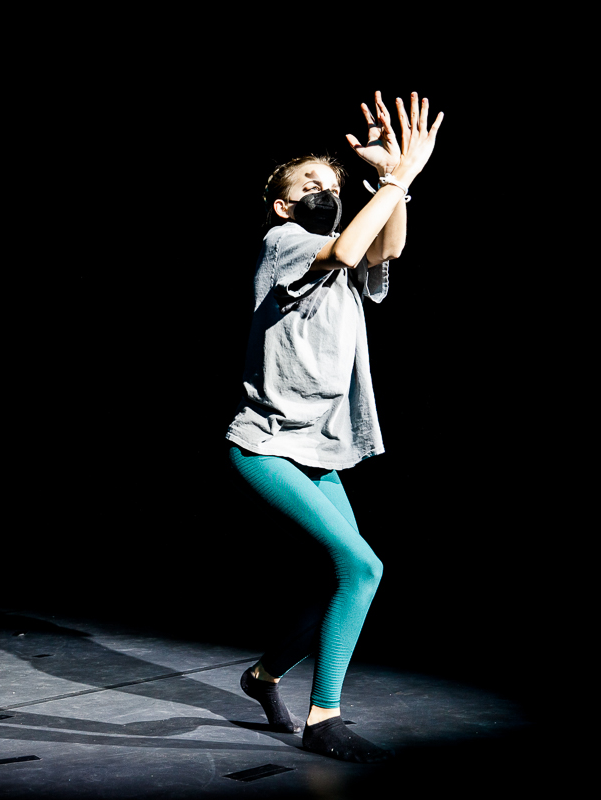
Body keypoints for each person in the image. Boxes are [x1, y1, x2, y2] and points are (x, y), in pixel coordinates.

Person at [225, 92, 443, 763]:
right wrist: (400, 178)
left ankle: (263, 677)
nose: (325, 193)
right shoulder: (285, 244)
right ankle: (325, 718)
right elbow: (349, 250)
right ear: (282, 206)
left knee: (343, 580)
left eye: (333, 186)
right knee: (363, 566)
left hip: (317, 447)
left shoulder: (335, 252)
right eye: (310, 186)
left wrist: (393, 182)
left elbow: (385, 247)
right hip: (266, 445)